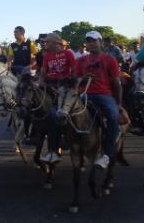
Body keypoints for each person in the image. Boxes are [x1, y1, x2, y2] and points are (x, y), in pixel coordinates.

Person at [74, 31, 122, 169]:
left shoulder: (109, 59)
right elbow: (76, 80)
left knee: (113, 117)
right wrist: (84, 78)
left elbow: (116, 83)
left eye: (94, 41)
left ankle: (107, 154)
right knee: (63, 111)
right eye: (88, 41)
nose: (91, 43)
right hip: (84, 95)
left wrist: (118, 103)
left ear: (100, 42)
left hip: (103, 95)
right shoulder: (81, 60)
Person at [38, 33, 76, 163]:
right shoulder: (47, 56)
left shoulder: (68, 54)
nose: (45, 44)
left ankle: (53, 150)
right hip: (49, 86)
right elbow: (43, 72)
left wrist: (65, 86)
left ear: (54, 43)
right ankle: (31, 133)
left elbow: (74, 71)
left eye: (47, 42)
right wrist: (42, 82)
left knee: (54, 114)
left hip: (64, 86)